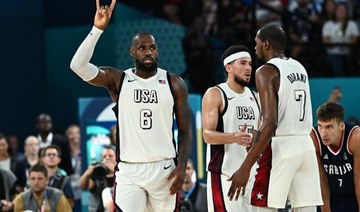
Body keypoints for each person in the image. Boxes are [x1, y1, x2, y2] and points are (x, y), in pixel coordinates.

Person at [70, 0, 192, 211]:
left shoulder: (174, 83)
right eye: (142, 48)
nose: (148, 52)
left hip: (164, 168)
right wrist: (97, 30)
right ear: (132, 52)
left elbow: (185, 132)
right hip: (129, 170)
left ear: (157, 52)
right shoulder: (118, 80)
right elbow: (78, 66)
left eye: (152, 47)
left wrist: (181, 167)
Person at [227, 24, 323, 211]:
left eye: (257, 43)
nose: (255, 48)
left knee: (265, 207)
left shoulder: (265, 71)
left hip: (282, 146)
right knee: (306, 208)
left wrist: (245, 167)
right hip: (306, 144)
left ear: (267, 44)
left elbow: (270, 123)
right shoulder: (299, 67)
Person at [202, 45, 260, 211]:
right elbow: (207, 135)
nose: (248, 68)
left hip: (250, 174)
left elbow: (257, 133)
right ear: (228, 67)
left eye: (250, 63)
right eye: (243, 63)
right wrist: (234, 137)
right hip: (225, 175)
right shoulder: (215, 93)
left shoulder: (255, 97)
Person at [310, 102, 360, 212]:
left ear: (341, 126)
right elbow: (321, 178)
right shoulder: (314, 137)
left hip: (352, 196)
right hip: (328, 196)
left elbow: (358, 178)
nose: (323, 133)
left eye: (329, 127)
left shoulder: (356, 137)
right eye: (320, 126)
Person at [79, 145, 116, 212]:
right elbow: (82, 186)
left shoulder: (121, 174)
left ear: (116, 157)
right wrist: (88, 172)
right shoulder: (97, 173)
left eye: (110, 156)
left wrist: (115, 170)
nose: (107, 158)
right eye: (104, 156)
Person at [65, 124, 82, 211]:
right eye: (71, 133)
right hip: (69, 193)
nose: (74, 135)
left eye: (77, 133)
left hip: (83, 192)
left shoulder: (85, 153)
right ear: (67, 136)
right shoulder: (64, 155)